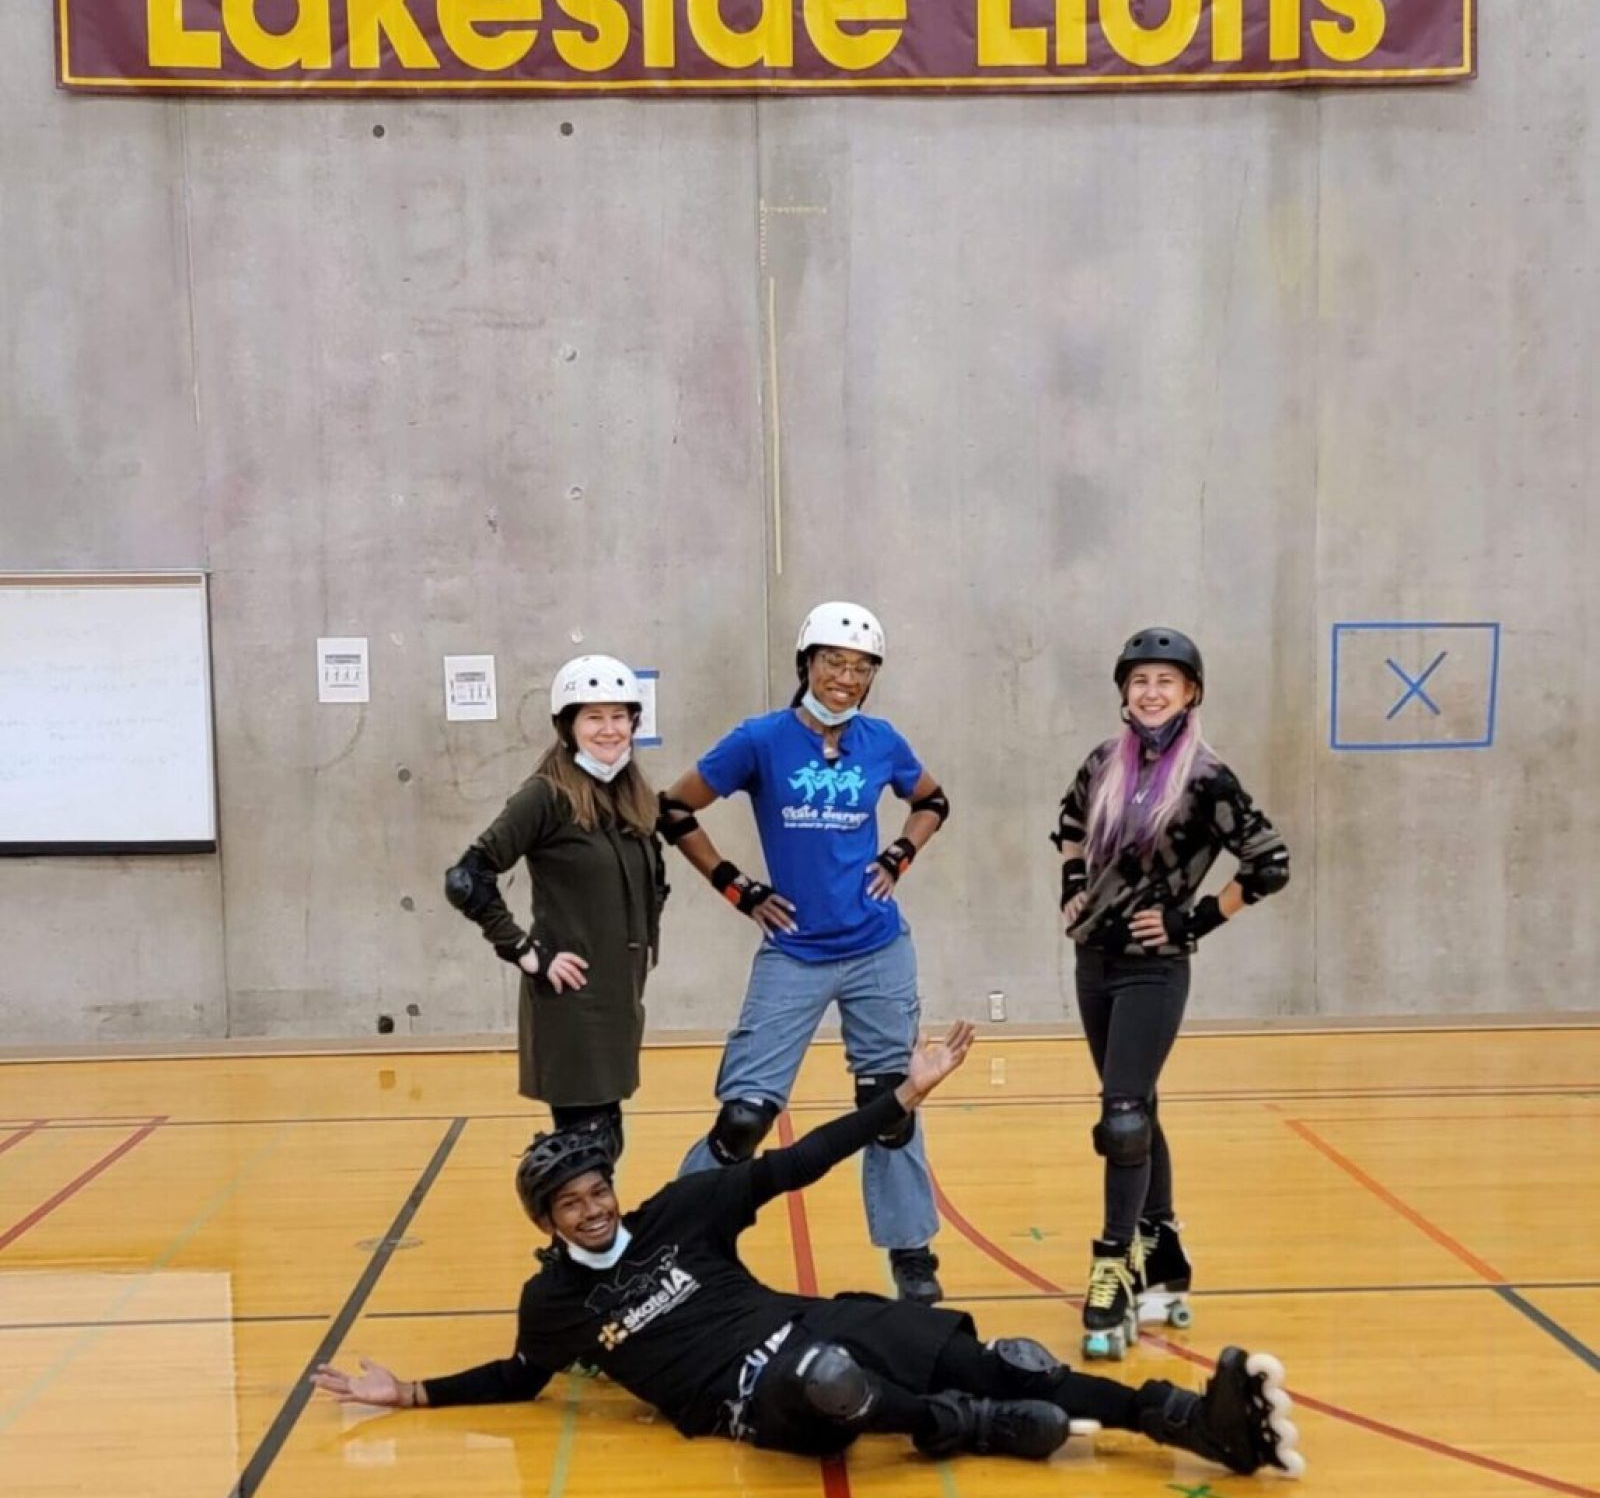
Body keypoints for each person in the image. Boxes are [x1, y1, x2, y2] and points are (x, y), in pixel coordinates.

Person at [310, 1021, 1303, 1476]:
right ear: (545, 1223)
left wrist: (902, 1095)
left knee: (998, 1357)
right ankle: (964, 1425)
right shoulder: (556, 1305)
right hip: (754, 1395)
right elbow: (522, 1375)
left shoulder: (680, 1209)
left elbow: (806, 1158)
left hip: (804, 1320)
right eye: (566, 1204)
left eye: (595, 1189)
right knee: (831, 1379)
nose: (590, 1210)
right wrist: (411, 1394)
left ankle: (1180, 1422)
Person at [655, 601, 951, 1302]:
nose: (846, 678)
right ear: (805, 665)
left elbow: (934, 800)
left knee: (890, 1104)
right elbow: (672, 808)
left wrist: (902, 851)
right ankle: (674, 1238)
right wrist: (738, 888)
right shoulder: (759, 740)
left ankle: (912, 1255)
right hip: (794, 952)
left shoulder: (882, 741)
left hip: (878, 946)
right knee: (744, 1118)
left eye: (860, 667)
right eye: (833, 662)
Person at [1052, 628, 1292, 1358]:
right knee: (1137, 1106)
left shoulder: (1208, 779)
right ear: (1125, 691)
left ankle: (1112, 1264)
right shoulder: (1103, 762)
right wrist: (1071, 889)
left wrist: (1194, 919)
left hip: (1154, 970)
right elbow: (1066, 825)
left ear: (1191, 693)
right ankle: (1165, 1248)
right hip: (1093, 961)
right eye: (1140, 681)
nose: (1151, 692)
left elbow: (1269, 863)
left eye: (1167, 681)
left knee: (1122, 1119)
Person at [444, 654, 667, 1154]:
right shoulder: (546, 795)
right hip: (572, 1002)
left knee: (602, 1142)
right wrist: (527, 952)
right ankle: (573, 1233)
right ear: (567, 727)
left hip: (619, 999)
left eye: (619, 716)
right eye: (593, 717)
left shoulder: (630, 794)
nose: (609, 730)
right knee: (586, 1148)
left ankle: (580, 1235)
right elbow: (467, 878)